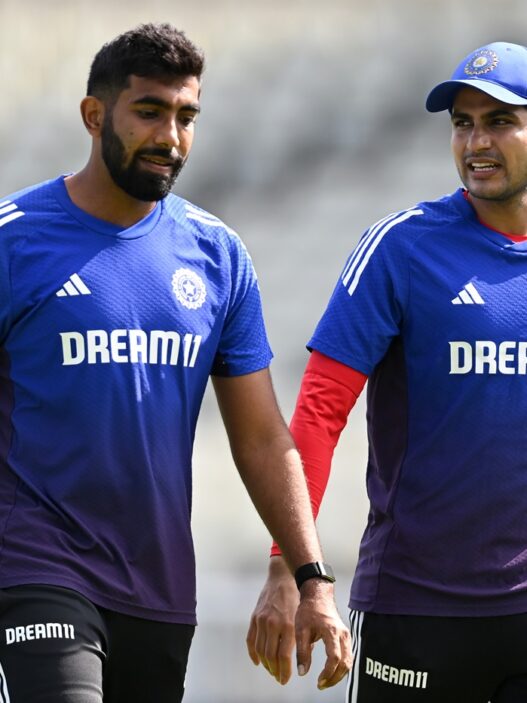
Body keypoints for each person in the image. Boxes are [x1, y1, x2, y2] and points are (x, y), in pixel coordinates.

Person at [0, 22, 352, 702]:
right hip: (35, 566)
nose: (170, 136)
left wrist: (309, 576)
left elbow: (261, 437)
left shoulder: (217, 254)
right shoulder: (14, 242)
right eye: (149, 111)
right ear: (94, 115)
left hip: (156, 589)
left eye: (186, 117)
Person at [247, 41, 527, 702]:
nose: (476, 143)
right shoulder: (400, 247)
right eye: (462, 123)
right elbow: (318, 412)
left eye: (499, 121)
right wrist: (291, 566)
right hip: (415, 609)